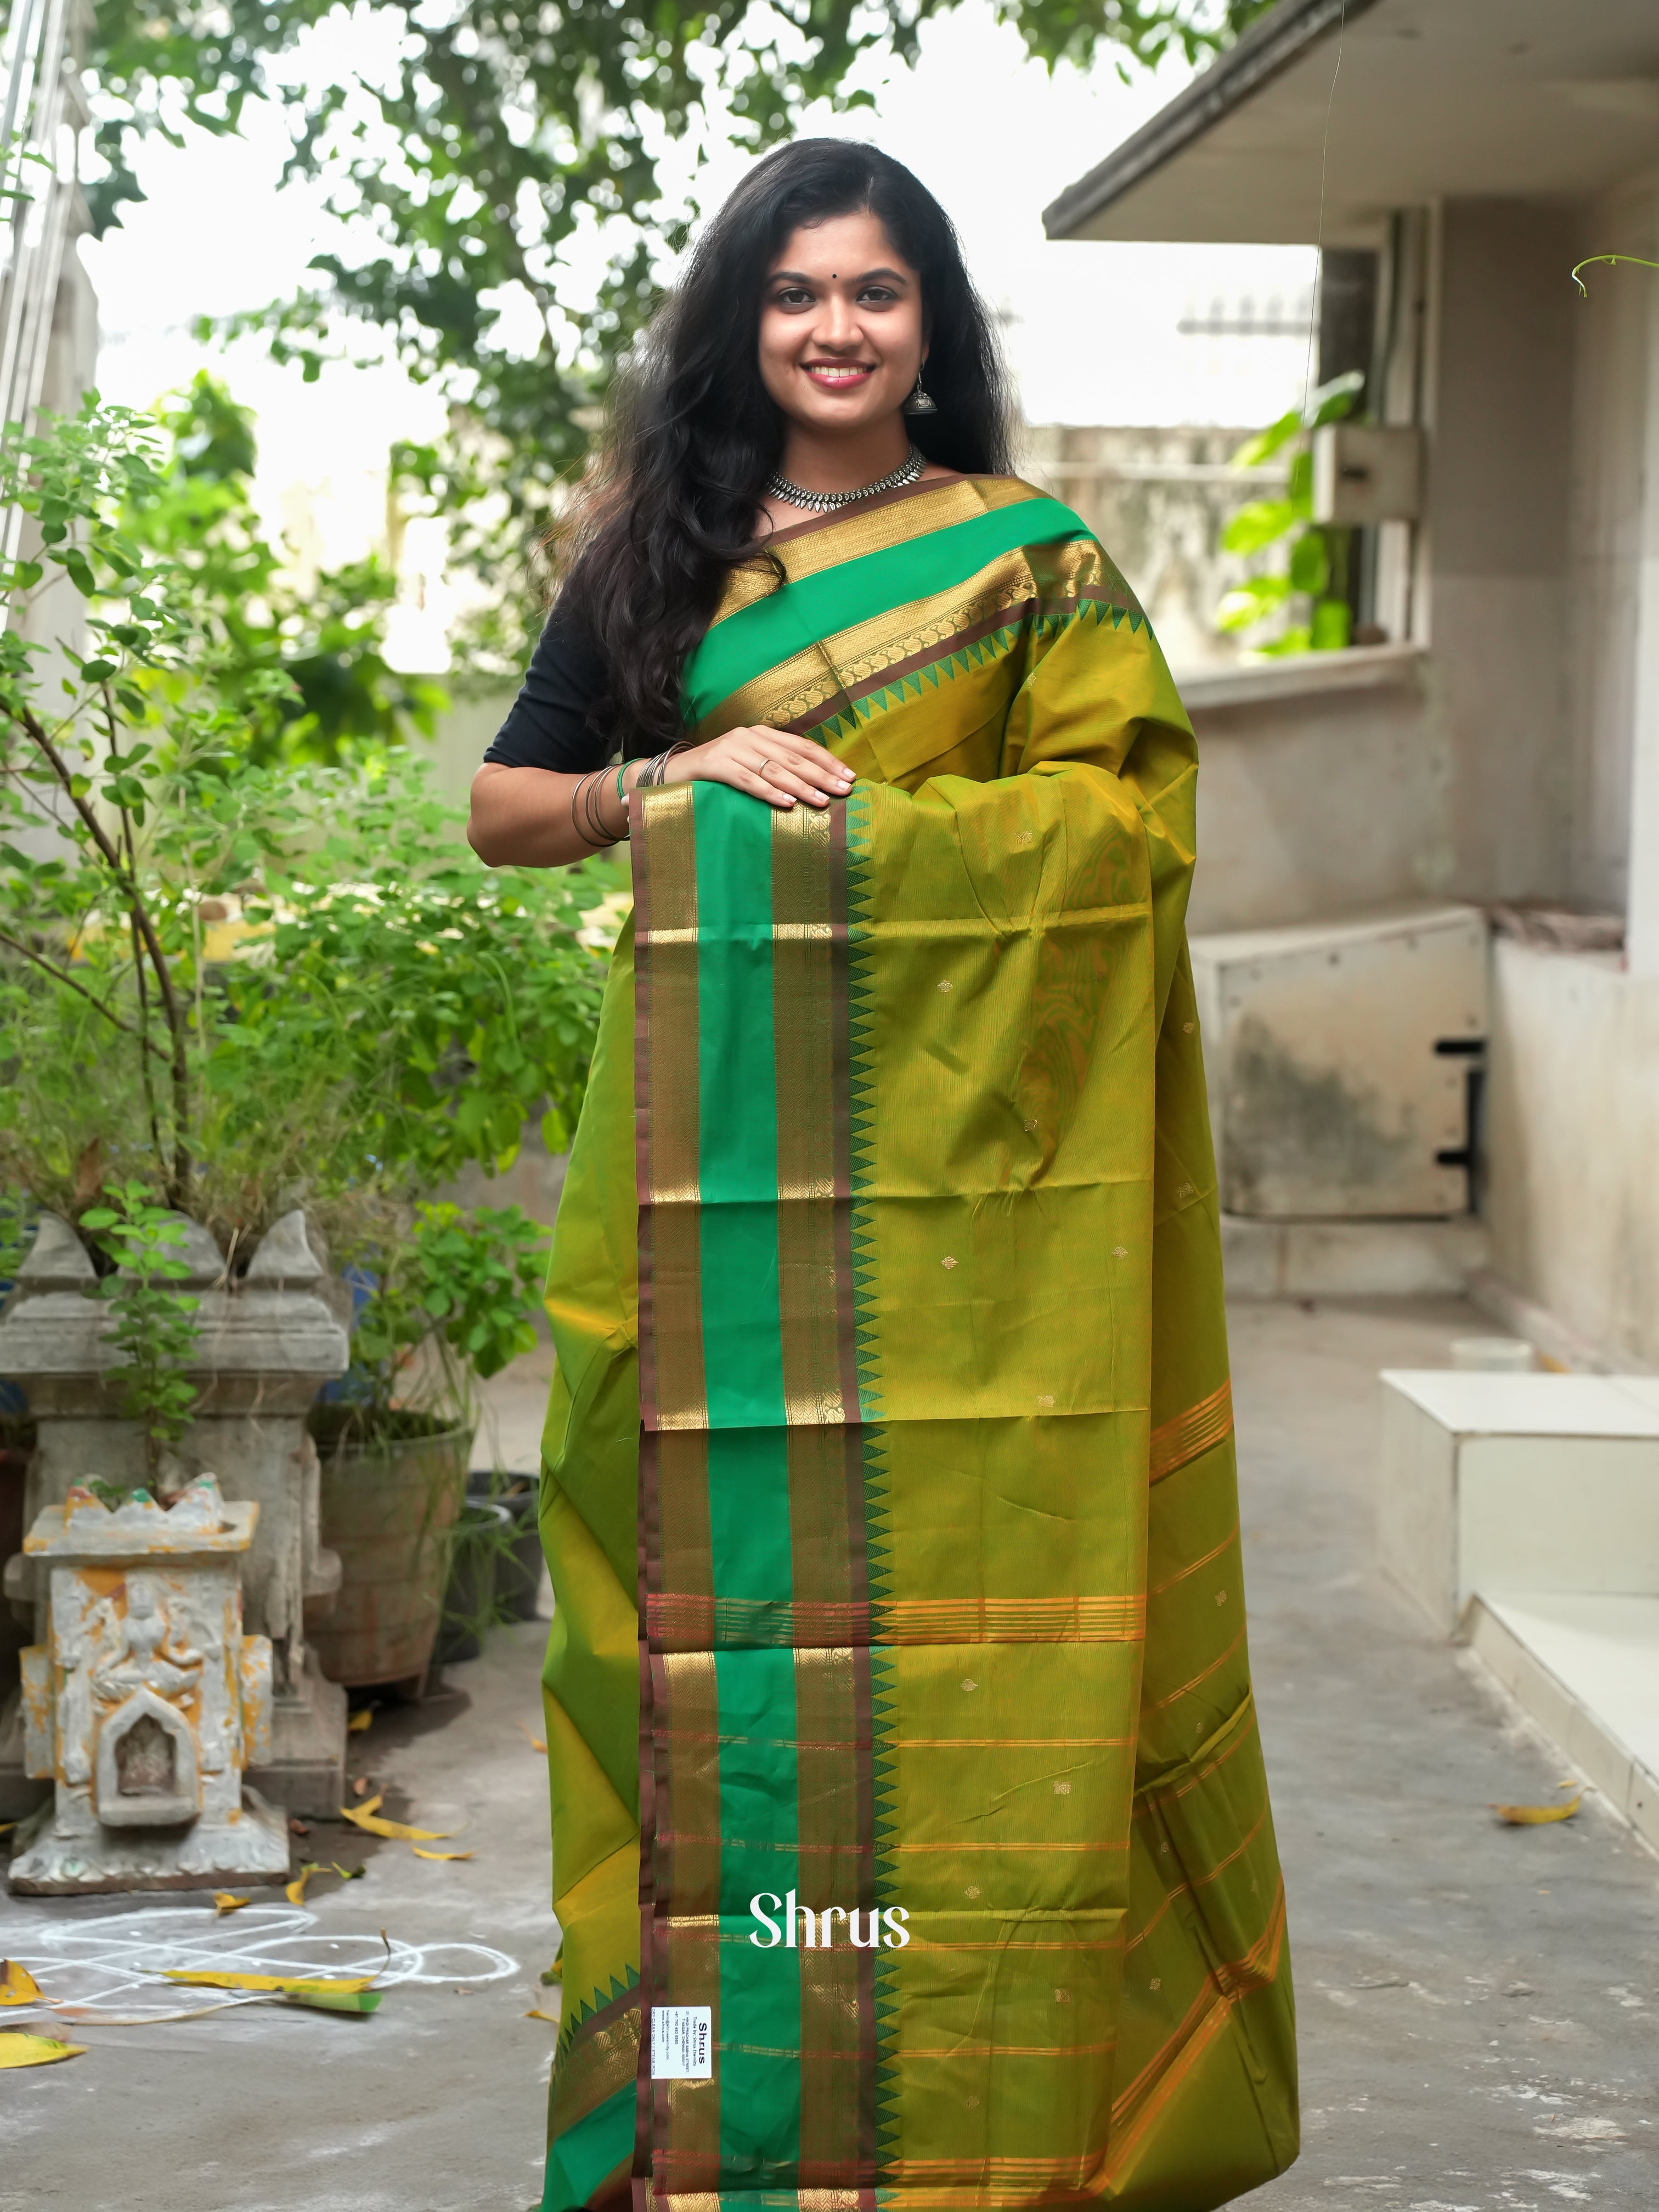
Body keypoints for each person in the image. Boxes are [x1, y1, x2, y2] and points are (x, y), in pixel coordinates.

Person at [470, 138, 1298, 2212]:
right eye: (795, 295)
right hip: (702, 1185)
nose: (836, 330)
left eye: (877, 292)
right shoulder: (663, 553)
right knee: (694, 1634)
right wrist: (680, 778)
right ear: (743, 323)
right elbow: (505, 807)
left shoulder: (1023, 560)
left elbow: (1123, 840)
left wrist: (837, 856)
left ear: (932, 321)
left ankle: (995, 2125)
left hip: (982, 1233)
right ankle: (714, 2101)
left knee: (983, 1645)